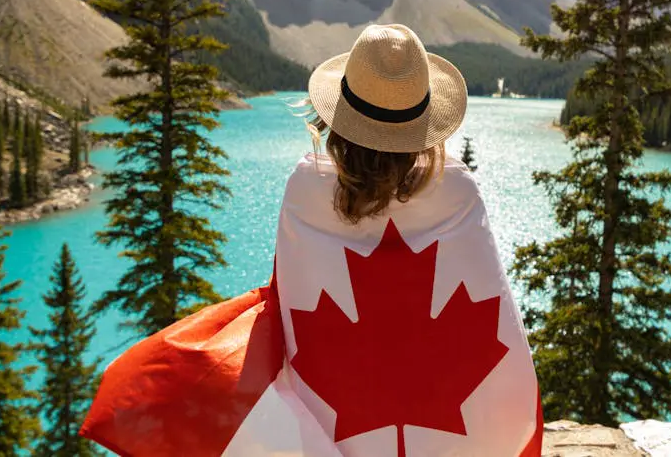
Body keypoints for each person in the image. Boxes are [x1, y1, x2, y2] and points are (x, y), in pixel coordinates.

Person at [82, 24, 542, 456]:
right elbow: (497, 316)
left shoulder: (306, 188)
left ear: (337, 122)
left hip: (334, 432)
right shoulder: (459, 189)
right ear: (425, 126)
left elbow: (288, 300)